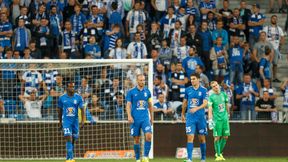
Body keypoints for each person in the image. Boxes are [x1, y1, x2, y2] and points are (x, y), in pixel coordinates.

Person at [126, 74, 153, 162]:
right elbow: (128, 105)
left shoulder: (147, 92)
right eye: (141, 80)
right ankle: (137, 159)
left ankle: (145, 157)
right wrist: (129, 116)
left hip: (145, 118)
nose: (142, 82)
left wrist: (152, 117)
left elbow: (150, 105)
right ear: (137, 81)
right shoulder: (131, 92)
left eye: (143, 80)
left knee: (148, 136)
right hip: (135, 119)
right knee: (136, 140)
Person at [181, 73, 208, 162]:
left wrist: (197, 108)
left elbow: (205, 103)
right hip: (190, 118)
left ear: (198, 79)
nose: (192, 81)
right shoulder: (188, 90)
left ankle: (203, 158)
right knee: (190, 137)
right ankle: (189, 159)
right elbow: (185, 102)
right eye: (191, 79)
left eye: (194, 79)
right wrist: (182, 114)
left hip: (200, 118)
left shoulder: (204, 90)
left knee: (202, 139)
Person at [58, 82, 85, 162]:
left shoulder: (78, 97)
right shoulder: (62, 98)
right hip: (66, 121)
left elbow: (82, 109)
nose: (72, 88)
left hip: (75, 121)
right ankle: (71, 159)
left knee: (73, 139)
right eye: (70, 87)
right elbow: (59, 110)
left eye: (73, 87)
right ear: (66, 88)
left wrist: (83, 120)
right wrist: (60, 122)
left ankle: (68, 157)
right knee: (68, 137)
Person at [208, 81, 230, 161]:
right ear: (212, 88)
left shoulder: (224, 94)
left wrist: (228, 114)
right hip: (217, 120)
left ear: (219, 85)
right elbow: (210, 109)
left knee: (225, 136)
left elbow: (226, 104)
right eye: (213, 86)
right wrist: (210, 120)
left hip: (225, 119)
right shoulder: (211, 97)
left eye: (216, 85)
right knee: (217, 137)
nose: (215, 87)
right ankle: (218, 155)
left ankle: (219, 153)